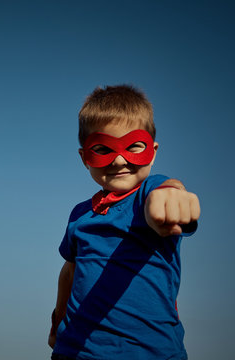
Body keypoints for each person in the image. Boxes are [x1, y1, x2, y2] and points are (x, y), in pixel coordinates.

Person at [48, 85, 200, 360]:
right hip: (76, 352)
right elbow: (70, 271)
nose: (119, 160)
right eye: (102, 149)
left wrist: (173, 196)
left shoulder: (149, 193)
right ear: (85, 157)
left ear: (152, 152)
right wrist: (57, 320)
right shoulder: (79, 215)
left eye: (134, 147)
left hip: (153, 353)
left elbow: (167, 189)